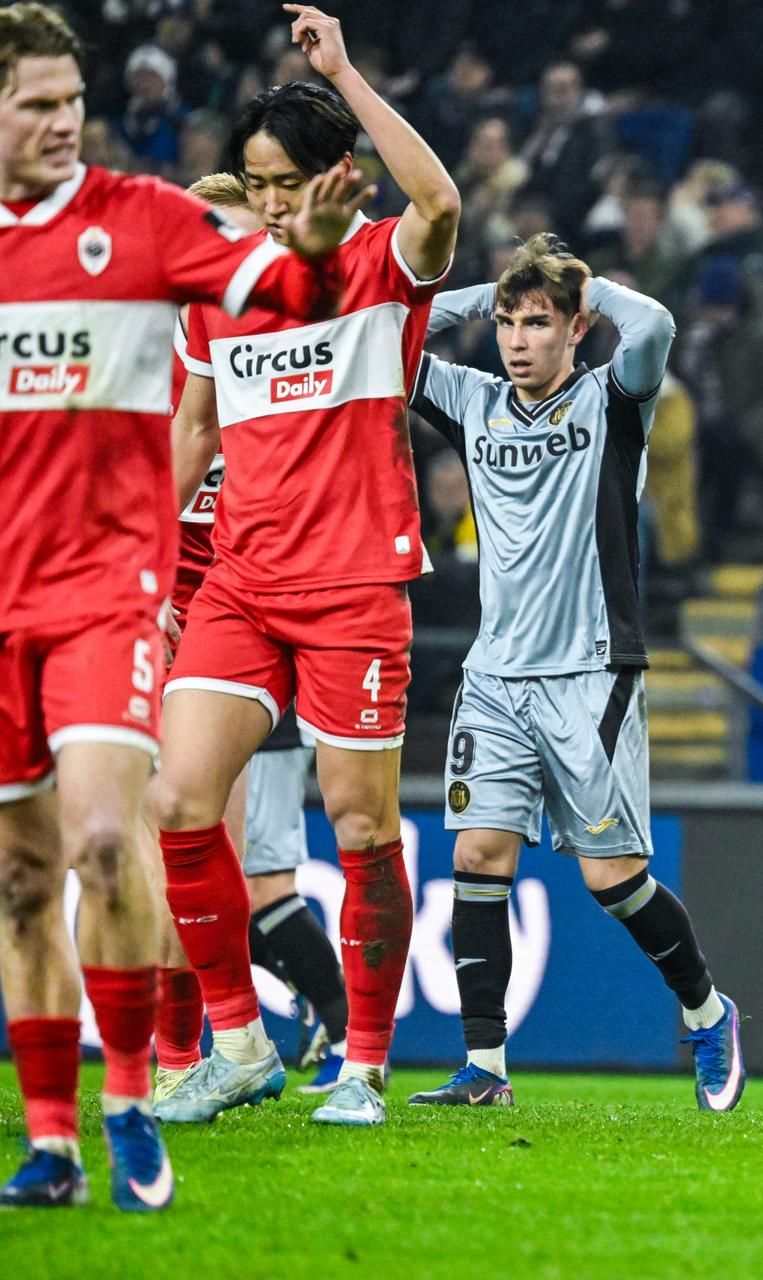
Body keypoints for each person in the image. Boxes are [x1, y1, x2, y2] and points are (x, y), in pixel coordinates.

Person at [0, 2, 357, 1210]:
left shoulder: (144, 219)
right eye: (36, 104)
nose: (64, 122)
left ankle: (128, 1100)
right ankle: (53, 1141)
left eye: (72, 101)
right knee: (21, 879)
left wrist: (316, 253)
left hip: (106, 594)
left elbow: (288, 292)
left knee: (111, 838)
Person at [154, 4, 459, 1130]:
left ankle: (364, 1066)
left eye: (287, 183)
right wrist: (146, 573)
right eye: (256, 183)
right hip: (240, 583)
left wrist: (347, 76)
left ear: (335, 177)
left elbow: (442, 202)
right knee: (180, 801)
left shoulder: (382, 263)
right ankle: (239, 1043)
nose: (271, 203)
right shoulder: (222, 293)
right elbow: (193, 432)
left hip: (353, 587)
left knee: (361, 828)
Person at [404, 235, 744, 1110]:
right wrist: (488, 293)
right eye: (508, 324)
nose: (517, 341)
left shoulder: (611, 401)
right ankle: (486, 1068)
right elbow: (386, 328)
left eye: (538, 323)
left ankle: (708, 1013)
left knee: (611, 879)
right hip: (496, 674)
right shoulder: (474, 401)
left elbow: (654, 324)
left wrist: (586, 285)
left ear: (576, 328)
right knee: (477, 855)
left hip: (591, 673)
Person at [152, 173, 349, 1105]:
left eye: (240, 243)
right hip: (155, 623)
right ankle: (193, 1054)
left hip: (244, 626)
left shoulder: (282, 360)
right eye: (211, 243)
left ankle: (210, 1053)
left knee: (226, 855)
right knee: (158, 847)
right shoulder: (156, 362)